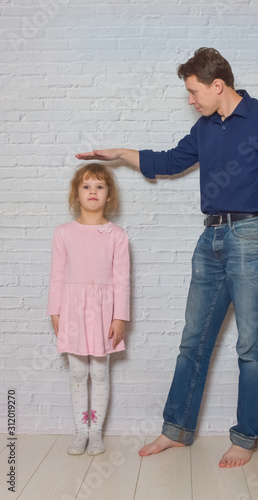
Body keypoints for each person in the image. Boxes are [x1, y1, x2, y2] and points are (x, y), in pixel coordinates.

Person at [75, 47, 258, 467]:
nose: (191, 100)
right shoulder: (205, 129)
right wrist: (119, 154)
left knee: (251, 345)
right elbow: (168, 161)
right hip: (211, 240)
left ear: (217, 84)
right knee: (193, 341)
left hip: (254, 236)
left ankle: (245, 436)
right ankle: (177, 430)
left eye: (193, 91)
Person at [47, 163, 130, 456]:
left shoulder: (116, 235)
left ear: (108, 195)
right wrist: (55, 311)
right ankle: (80, 431)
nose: (92, 191)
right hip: (71, 310)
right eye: (86, 186)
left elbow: (121, 279)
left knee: (100, 372)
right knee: (77, 373)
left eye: (99, 186)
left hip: (104, 312)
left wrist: (119, 316)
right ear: (76, 194)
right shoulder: (63, 233)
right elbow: (57, 274)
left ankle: (96, 433)